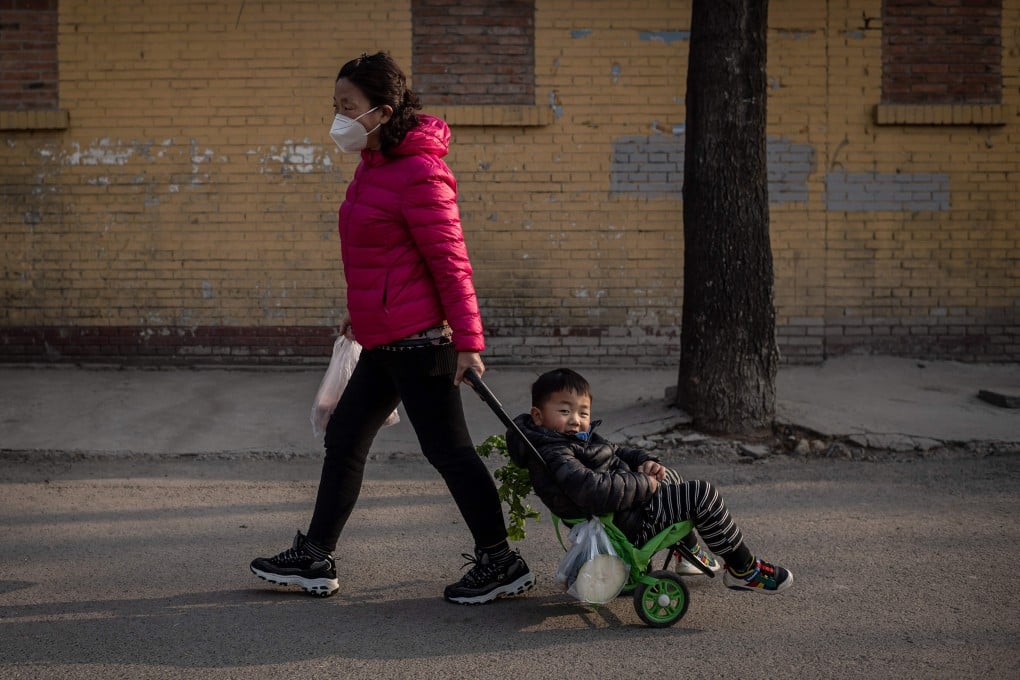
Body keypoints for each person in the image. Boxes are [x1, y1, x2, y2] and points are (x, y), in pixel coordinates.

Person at [249, 52, 534, 605]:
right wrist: (362, 312)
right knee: (345, 439)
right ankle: (315, 556)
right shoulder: (374, 165)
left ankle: (500, 560)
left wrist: (470, 343)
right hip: (383, 340)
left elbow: (451, 261)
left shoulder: (420, 171)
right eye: (334, 105)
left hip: (421, 342)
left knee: (449, 452)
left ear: (381, 112)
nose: (337, 117)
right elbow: (381, 256)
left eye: (347, 107)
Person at [506, 368, 793, 594]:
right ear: (538, 416)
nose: (576, 420)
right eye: (565, 411)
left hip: (626, 508)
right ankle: (743, 570)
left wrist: (646, 461)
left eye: (583, 412)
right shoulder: (556, 451)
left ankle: (689, 551)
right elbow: (592, 491)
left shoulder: (572, 440)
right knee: (702, 495)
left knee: (670, 476)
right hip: (624, 523)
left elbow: (616, 452)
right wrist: (645, 483)